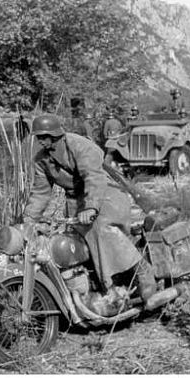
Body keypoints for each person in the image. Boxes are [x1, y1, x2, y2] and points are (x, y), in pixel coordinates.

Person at [25, 115, 160, 306]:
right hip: (75, 203)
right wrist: (29, 219)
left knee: (100, 230)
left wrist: (90, 207)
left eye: (43, 136)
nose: (39, 140)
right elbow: (40, 192)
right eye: (38, 137)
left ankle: (142, 270)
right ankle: (91, 287)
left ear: (54, 135)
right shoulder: (41, 160)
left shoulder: (79, 146)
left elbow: (93, 178)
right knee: (70, 242)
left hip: (105, 196)